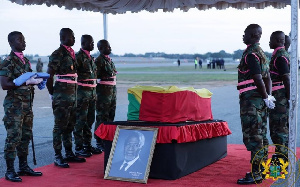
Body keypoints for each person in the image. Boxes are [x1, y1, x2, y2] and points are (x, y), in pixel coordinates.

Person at [0, 31, 43, 182]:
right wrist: (25, 82)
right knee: (13, 137)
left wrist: (36, 81)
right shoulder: (8, 61)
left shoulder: (25, 61)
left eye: (24, 39)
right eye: (20, 40)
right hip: (14, 106)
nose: (23, 42)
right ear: (11, 43)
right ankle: (10, 170)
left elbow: (28, 78)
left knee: (25, 136)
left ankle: (23, 166)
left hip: (27, 105)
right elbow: (5, 85)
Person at [236, 24, 275, 185]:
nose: (242, 36)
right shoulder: (262, 54)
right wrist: (268, 97)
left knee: (254, 137)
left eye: (245, 34)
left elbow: (259, 77)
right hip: (259, 101)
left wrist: (266, 96)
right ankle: (260, 170)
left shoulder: (251, 54)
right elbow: (268, 78)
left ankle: (256, 173)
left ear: (252, 35)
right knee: (261, 134)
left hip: (251, 102)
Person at [46, 28, 85, 168]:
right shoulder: (58, 53)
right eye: (71, 36)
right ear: (63, 37)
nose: (74, 38)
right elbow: (49, 76)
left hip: (72, 95)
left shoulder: (71, 53)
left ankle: (69, 153)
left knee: (70, 125)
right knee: (60, 126)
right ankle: (58, 156)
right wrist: (52, 94)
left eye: (74, 36)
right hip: (62, 95)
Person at [74, 35, 102, 157]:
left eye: (93, 42)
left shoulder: (91, 58)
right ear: (83, 43)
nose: (92, 44)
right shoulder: (78, 57)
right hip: (82, 92)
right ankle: (79, 147)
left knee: (90, 120)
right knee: (81, 120)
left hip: (92, 92)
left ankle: (87, 144)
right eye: (90, 42)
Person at [268, 31, 290, 161]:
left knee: (279, 128)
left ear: (277, 40)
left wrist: (289, 97)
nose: (269, 42)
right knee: (278, 127)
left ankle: (282, 159)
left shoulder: (280, 56)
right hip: (279, 96)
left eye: (271, 40)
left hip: (280, 97)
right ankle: (282, 155)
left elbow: (286, 78)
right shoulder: (278, 54)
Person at [94, 39, 117, 152]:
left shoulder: (109, 60)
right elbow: (95, 78)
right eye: (107, 47)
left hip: (112, 90)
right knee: (102, 116)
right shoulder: (98, 61)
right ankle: (99, 140)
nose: (110, 48)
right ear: (101, 48)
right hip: (103, 92)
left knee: (110, 115)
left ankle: (107, 138)